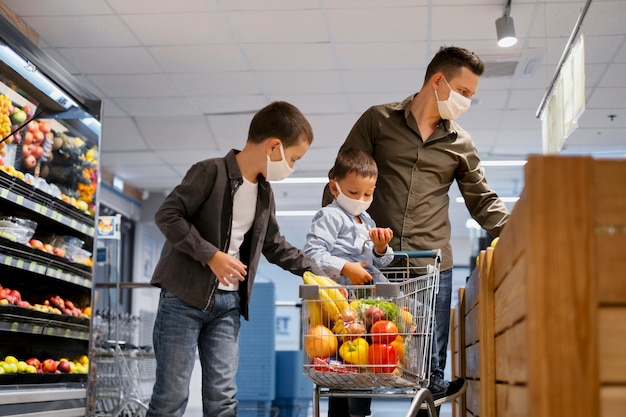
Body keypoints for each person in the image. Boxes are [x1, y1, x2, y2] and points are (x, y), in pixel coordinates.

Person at [322, 46, 510, 415]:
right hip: (370, 263)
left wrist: (517, 233)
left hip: (428, 269)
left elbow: (482, 199)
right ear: (438, 81)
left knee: (426, 374)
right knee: (356, 366)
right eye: (464, 91)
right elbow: (341, 180)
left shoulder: (460, 143)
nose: (467, 101)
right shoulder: (378, 121)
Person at [146, 101, 326, 417]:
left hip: (227, 305)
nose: (292, 167)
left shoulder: (264, 194)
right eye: (294, 158)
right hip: (183, 299)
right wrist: (210, 255)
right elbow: (168, 215)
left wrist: (317, 272)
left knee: (223, 399)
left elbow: (274, 245)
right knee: (171, 396)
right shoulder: (210, 172)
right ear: (274, 147)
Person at [304, 148, 394, 417]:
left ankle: (358, 412)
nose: (361, 199)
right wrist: (345, 266)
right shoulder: (329, 216)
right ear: (335, 187)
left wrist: (381, 247)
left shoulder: (366, 219)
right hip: (341, 302)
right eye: (354, 193)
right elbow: (313, 253)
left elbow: (382, 262)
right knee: (341, 367)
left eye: (368, 194)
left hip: (364, 304)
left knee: (358, 365)